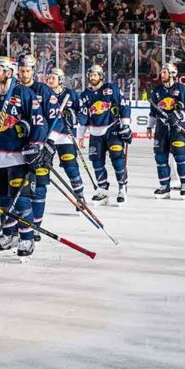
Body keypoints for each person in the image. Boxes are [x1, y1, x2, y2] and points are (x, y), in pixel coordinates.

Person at [0, 56, 46, 258]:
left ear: (9, 73)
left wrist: (35, 145)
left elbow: (38, 122)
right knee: (1, 197)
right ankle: (9, 232)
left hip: (18, 157)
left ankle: (26, 238)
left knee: (20, 200)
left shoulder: (23, 93)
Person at [78, 64, 132, 205]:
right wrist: (81, 136)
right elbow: (83, 117)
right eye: (90, 75)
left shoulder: (111, 89)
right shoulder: (84, 95)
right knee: (97, 163)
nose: (92, 77)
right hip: (95, 134)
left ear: (101, 76)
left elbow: (123, 106)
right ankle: (103, 190)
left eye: (95, 75)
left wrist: (125, 125)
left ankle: (122, 188)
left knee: (117, 160)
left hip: (112, 129)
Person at [15, 52, 55, 234]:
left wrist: (49, 143)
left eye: (27, 70)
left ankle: (35, 226)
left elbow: (56, 119)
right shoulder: (12, 90)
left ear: (33, 71)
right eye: (21, 70)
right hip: (16, 148)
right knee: (15, 189)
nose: (24, 74)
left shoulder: (44, 91)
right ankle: (17, 226)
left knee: (39, 187)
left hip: (39, 146)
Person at [147, 63, 185, 198]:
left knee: (180, 156)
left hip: (177, 129)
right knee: (160, 158)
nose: (161, 75)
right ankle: (164, 186)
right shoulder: (157, 91)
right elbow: (153, 111)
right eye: (162, 72)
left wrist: (180, 115)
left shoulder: (183, 90)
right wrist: (149, 127)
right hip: (161, 129)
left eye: (164, 72)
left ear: (173, 74)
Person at [45, 67, 86, 203]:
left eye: (53, 78)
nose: (49, 80)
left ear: (61, 80)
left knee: (71, 166)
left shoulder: (71, 94)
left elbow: (82, 112)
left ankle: (79, 195)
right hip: (46, 137)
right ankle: (37, 197)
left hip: (64, 136)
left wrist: (75, 120)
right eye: (49, 77)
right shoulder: (44, 93)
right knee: (42, 167)